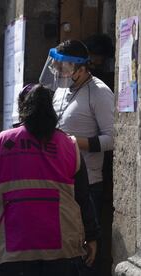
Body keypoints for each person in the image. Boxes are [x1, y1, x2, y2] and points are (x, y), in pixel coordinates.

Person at [0, 84, 100, 276]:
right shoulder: (69, 145)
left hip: (11, 247)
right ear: (51, 108)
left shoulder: (0, 143)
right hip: (61, 248)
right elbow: (83, 196)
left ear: (21, 108)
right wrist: (91, 236)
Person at [40, 40, 114, 243]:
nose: (58, 73)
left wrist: (74, 142)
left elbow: (112, 139)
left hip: (88, 184)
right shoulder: (62, 88)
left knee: (83, 244)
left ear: (81, 68)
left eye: (64, 68)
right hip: (57, 179)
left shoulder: (100, 92)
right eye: (57, 67)